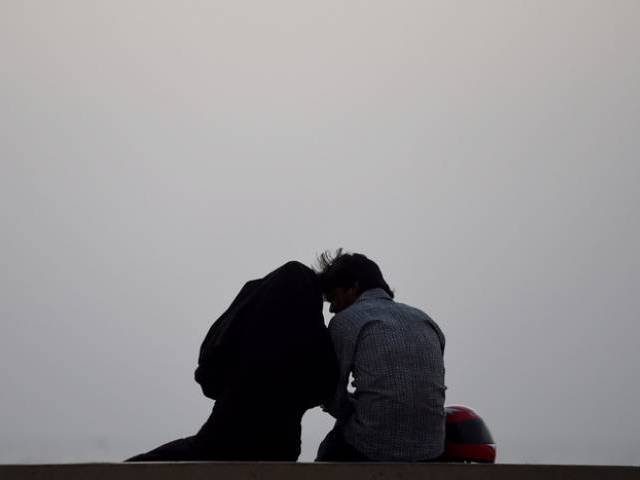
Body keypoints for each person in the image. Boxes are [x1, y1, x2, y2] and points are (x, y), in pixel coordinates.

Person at [127, 261, 337, 461]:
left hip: (222, 438)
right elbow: (323, 387)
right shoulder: (313, 339)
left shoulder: (247, 320)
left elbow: (207, 375)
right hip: (281, 448)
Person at [315, 250, 446, 462]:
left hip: (371, 447)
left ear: (353, 287)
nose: (331, 309)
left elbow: (333, 396)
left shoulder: (345, 321)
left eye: (334, 298)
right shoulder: (427, 321)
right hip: (431, 448)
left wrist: (356, 410)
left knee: (328, 452)